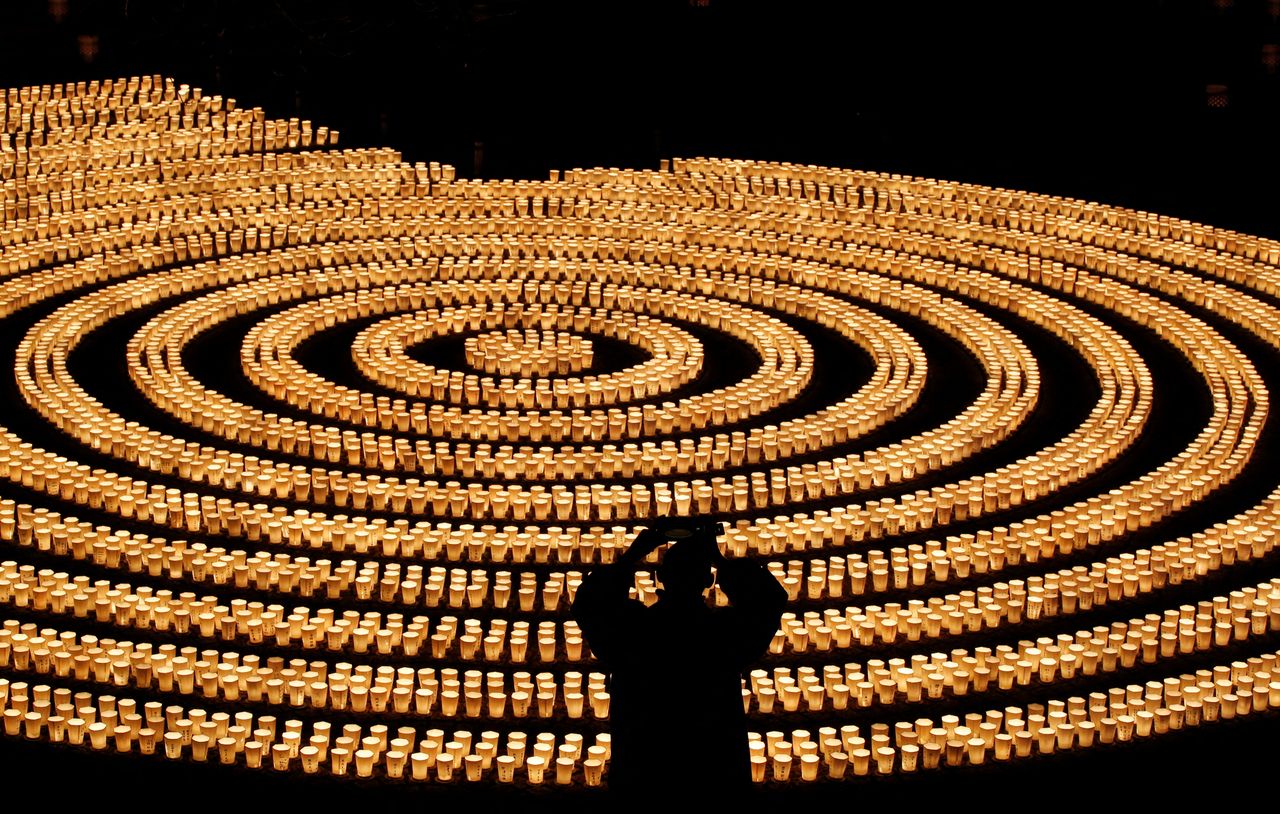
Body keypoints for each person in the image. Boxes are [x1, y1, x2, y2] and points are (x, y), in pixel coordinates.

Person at [570, 522, 788, 798]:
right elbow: (769, 600)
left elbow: (590, 604)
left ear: (660, 577)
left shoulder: (634, 631)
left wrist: (631, 556)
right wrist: (721, 560)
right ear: (709, 581)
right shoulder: (722, 634)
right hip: (712, 774)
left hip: (645, 772)